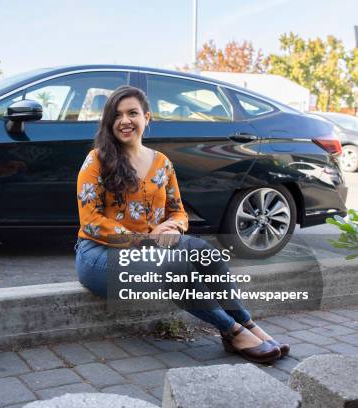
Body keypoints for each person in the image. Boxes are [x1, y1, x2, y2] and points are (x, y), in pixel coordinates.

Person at [74, 85, 289, 363]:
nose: (124, 120)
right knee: (174, 265)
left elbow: (178, 212)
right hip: (99, 254)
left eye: (132, 113)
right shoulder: (97, 160)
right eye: (117, 115)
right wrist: (148, 237)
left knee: (206, 252)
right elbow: (90, 221)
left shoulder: (162, 163)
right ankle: (232, 331)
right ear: (109, 122)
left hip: (147, 249)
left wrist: (173, 228)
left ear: (147, 118)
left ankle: (246, 323)